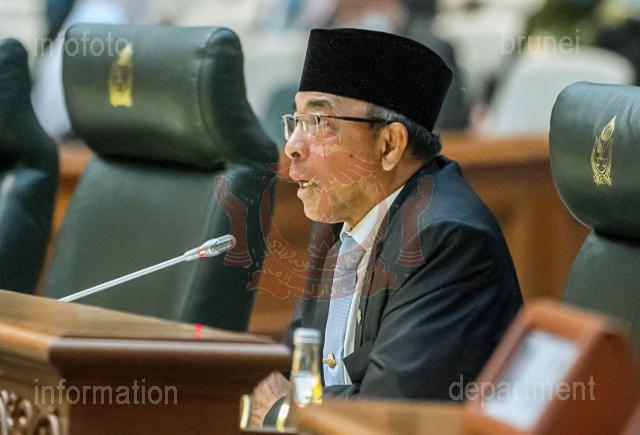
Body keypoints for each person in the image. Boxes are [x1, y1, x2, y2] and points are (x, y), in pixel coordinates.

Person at [250, 28, 523, 426]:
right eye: (296, 120)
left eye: (318, 121)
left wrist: (282, 413)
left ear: (390, 145)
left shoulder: (446, 239)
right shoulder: (339, 216)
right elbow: (299, 365)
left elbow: (388, 412)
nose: (292, 144)